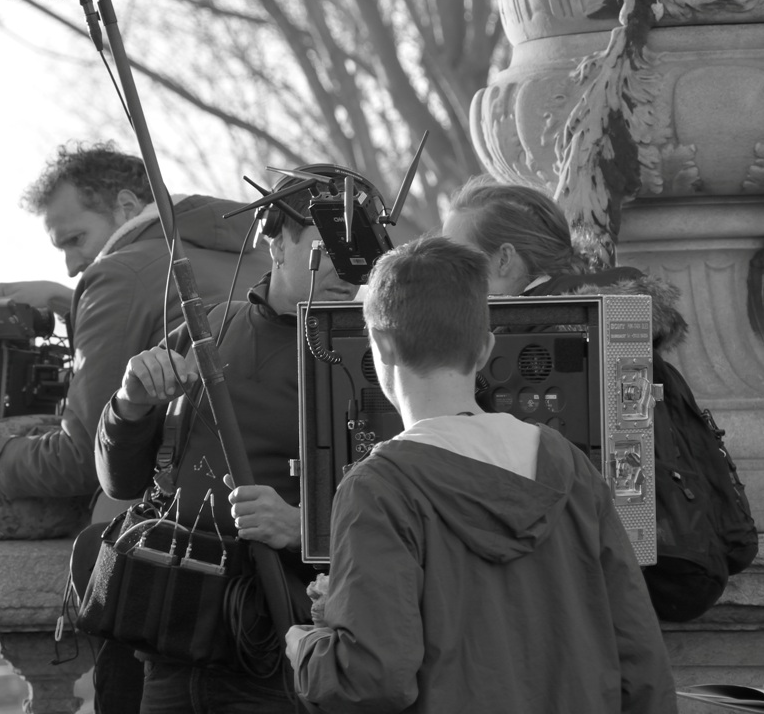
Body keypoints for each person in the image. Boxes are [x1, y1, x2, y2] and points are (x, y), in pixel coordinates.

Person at [0, 141, 267, 714]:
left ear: (124, 205)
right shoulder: (241, 250)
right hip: (254, 531)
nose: (73, 264)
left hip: (160, 546)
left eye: (75, 240)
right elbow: (182, 324)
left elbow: (79, 458)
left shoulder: (117, 275)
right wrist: (74, 304)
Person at [285, 236, 678, 713]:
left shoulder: (378, 489)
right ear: (487, 346)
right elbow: (639, 654)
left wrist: (307, 647)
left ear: (382, 346)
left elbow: (374, 677)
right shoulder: (568, 463)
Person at [94, 166, 369, 714]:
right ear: (275, 239)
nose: (348, 264)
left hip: (282, 653)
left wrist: (303, 529)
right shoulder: (211, 327)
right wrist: (130, 403)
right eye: (330, 243)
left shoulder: (379, 359)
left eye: (360, 247)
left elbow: (411, 514)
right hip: (166, 641)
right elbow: (121, 481)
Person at [439, 176, 688, 353]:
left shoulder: (529, 342)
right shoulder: (591, 320)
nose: (443, 273)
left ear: (504, 259)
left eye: (456, 258)